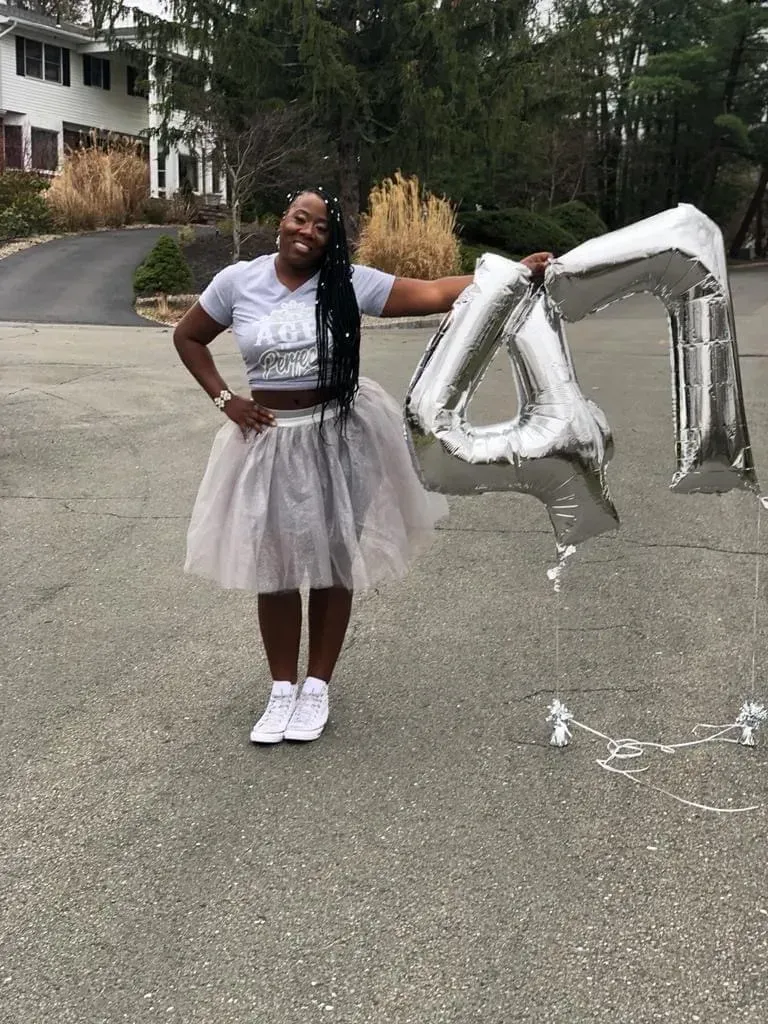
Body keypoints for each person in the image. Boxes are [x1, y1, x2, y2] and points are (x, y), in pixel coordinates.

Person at [173, 187, 551, 745]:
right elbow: (188, 336)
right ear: (282, 221)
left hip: (338, 435)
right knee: (276, 567)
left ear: (332, 239)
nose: (307, 232)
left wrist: (512, 275)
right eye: (300, 219)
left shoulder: (346, 282)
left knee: (333, 558)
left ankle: (316, 687)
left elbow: (432, 292)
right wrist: (226, 400)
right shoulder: (237, 282)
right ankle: (281, 688)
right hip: (271, 440)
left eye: (321, 227)